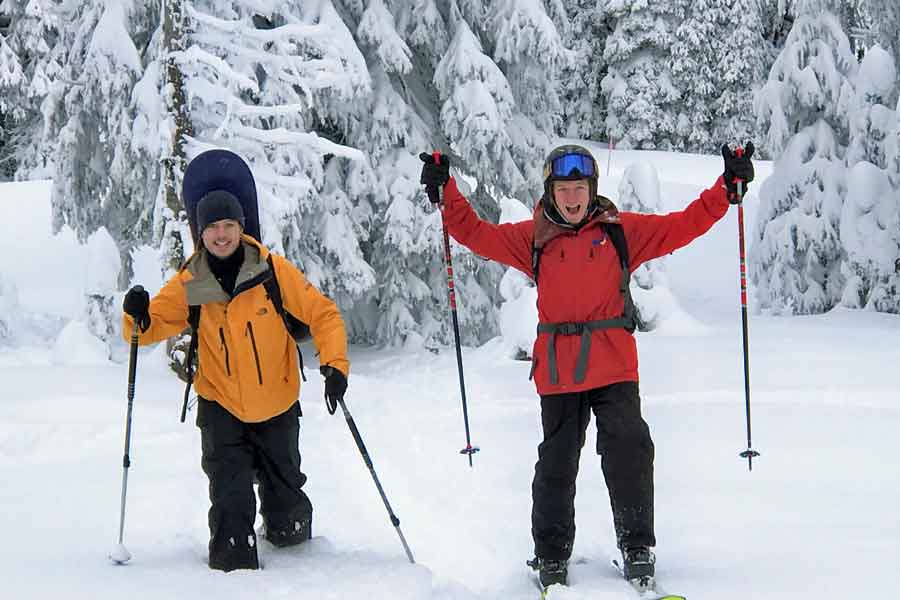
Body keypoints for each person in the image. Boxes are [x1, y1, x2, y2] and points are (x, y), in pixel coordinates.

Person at [420, 143, 754, 588]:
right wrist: (448, 191)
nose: (572, 197)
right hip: (559, 372)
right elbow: (475, 233)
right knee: (557, 461)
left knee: (629, 448)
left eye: (579, 188)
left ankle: (637, 546)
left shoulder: (619, 232)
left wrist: (725, 190)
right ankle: (551, 555)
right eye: (564, 189)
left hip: (614, 366)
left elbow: (682, 225)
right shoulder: (533, 237)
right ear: (551, 192)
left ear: (592, 189)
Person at [122, 189, 350, 572]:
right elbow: (147, 329)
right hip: (220, 403)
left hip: (276, 402)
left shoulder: (270, 271)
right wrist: (136, 315)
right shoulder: (193, 281)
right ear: (200, 233)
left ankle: (303, 569)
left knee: (287, 511)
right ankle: (233, 567)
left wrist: (335, 365)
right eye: (212, 227)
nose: (221, 234)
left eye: (228, 225)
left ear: (241, 228)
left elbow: (322, 313)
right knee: (230, 499)